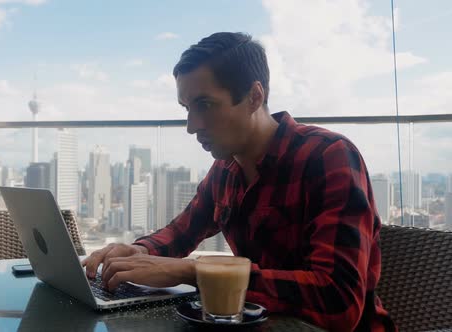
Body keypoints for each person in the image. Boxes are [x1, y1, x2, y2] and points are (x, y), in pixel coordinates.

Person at [82, 32, 396, 331]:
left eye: (204, 105)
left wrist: (198, 272)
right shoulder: (226, 168)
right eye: (187, 108)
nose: (192, 126)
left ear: (254, 97)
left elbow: (339, 303)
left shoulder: (328, 156)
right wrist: (137, 251)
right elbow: (180, 232)